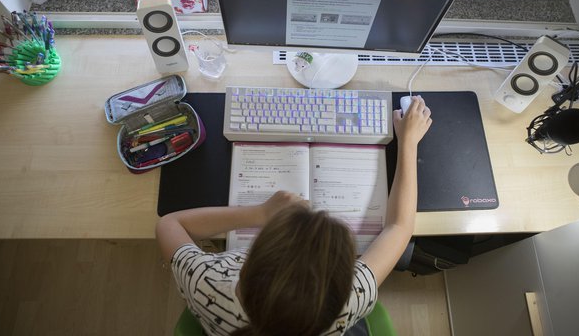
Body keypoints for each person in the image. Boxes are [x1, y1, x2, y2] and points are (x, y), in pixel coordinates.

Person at [156, 95, 432, 336]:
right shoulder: (349, 301)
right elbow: (399, 226)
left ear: (248, 261)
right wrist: (408, 142)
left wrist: (260, 213)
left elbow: (169, 223)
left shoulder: (208, 282)